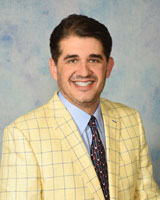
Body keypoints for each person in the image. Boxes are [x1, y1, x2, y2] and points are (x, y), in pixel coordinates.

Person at [0, 14, 159, 200]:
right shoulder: (23, 135)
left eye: (94, 60)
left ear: (108, 67)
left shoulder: (131, 120)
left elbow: (148, 196)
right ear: (54, 68)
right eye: (72, 60)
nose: (84, 72)